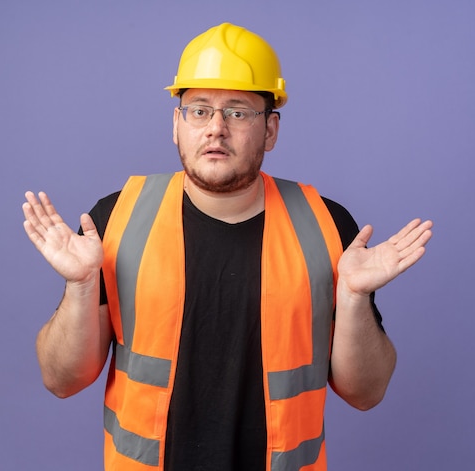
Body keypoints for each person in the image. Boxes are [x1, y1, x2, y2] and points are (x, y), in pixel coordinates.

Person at [22, 23, 433, 471]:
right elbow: (62, 379)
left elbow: (365, 392)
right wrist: (82, 286)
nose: (216, 128)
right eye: (199, 110)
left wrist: (352, 297)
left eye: (238, 112)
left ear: (271, 131)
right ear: (176, 125)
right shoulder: (115, 219)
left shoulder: (326, 226)